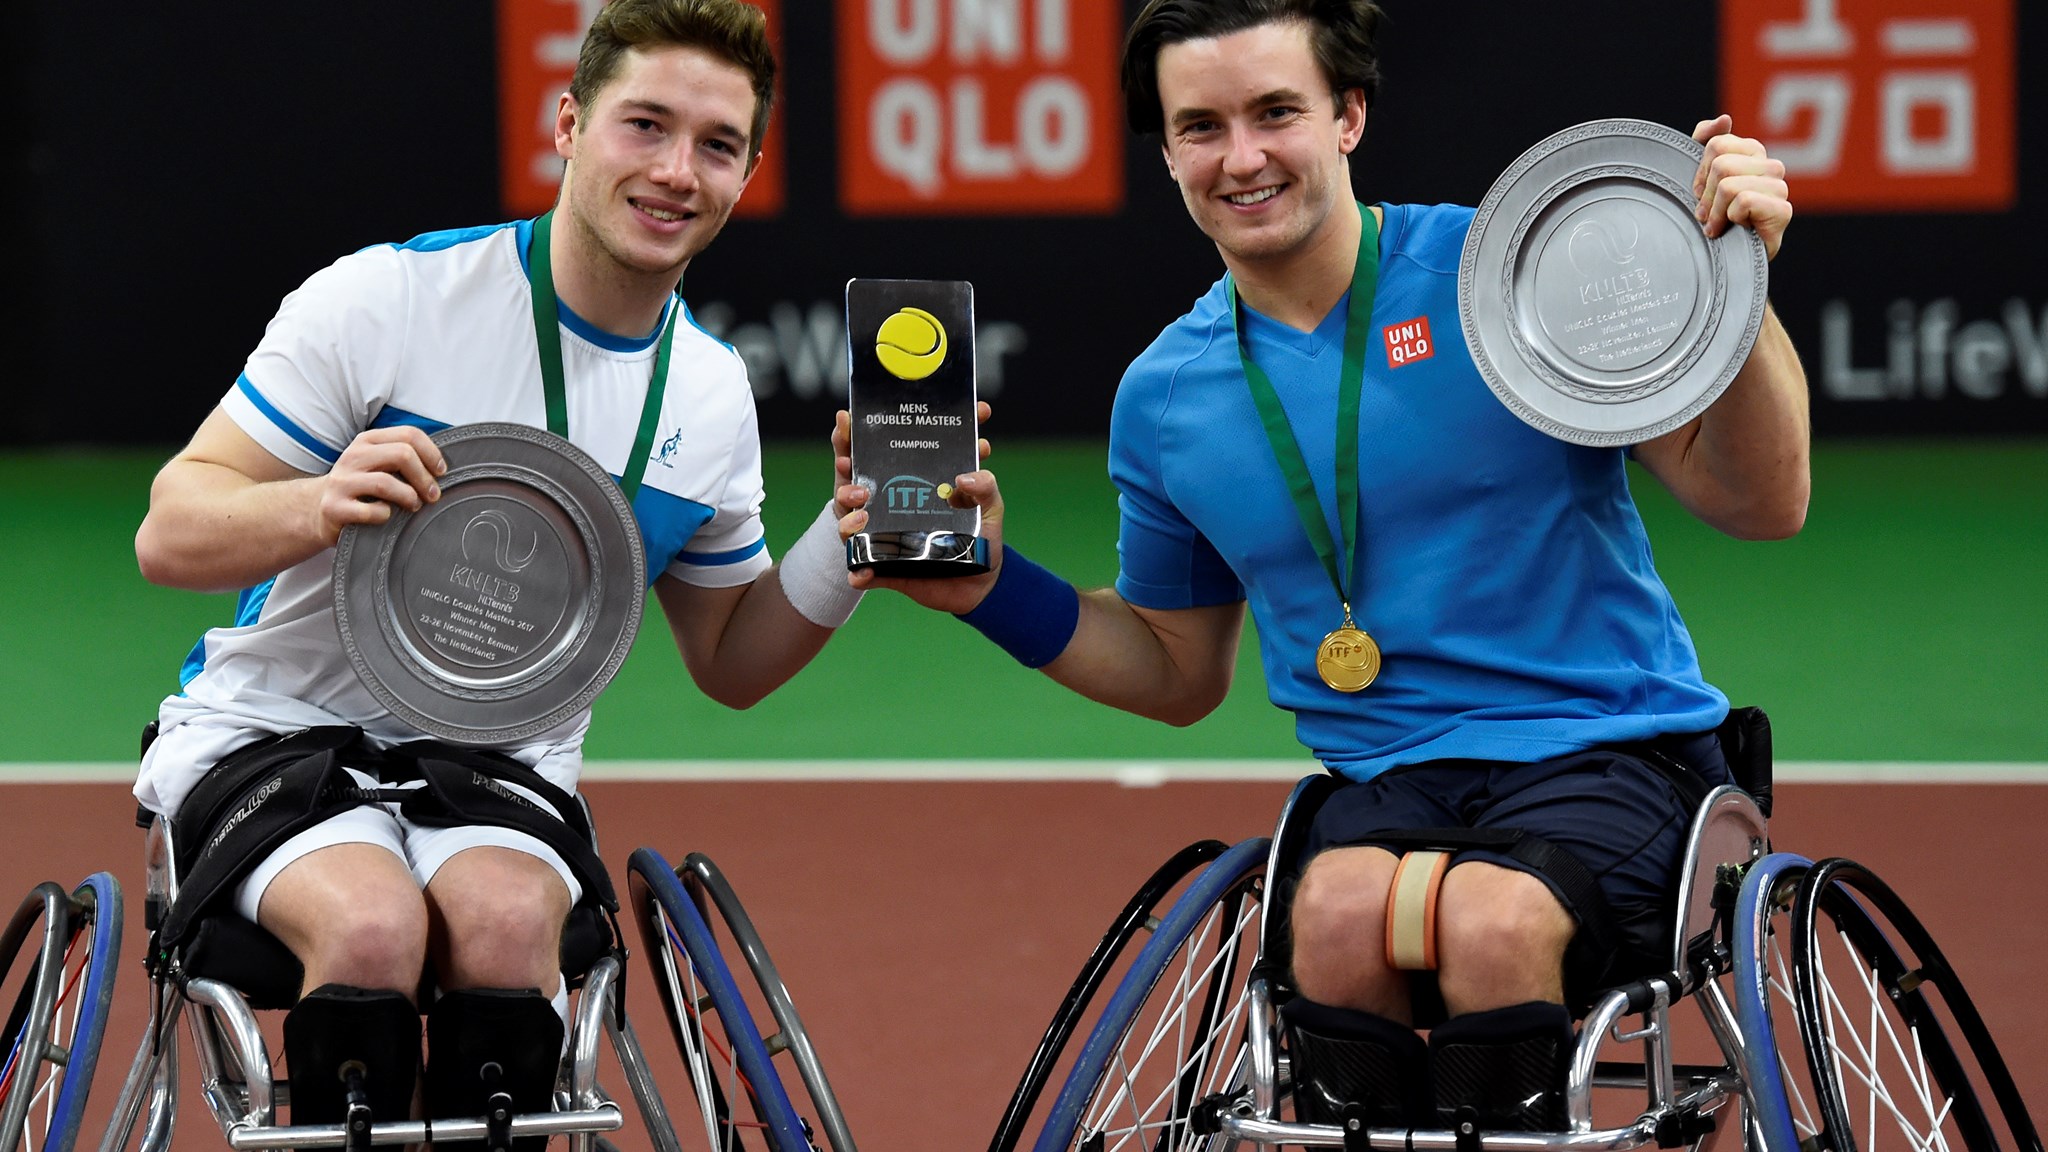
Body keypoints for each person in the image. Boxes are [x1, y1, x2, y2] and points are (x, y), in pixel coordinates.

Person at [834, 0, 1806, 1132]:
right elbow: (1172, 665)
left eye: (1274, 112)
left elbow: (1758, 502)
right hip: (1386, 783)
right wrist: (992, 589)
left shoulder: (1503, 273)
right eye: (1199, 127)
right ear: (1165, 153)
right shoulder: (1165, 396)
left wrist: (1738, 290)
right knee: (1335, 921)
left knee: (1492, 926)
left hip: (1612, 755)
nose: (1240, 157)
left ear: (1346, 115)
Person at [131, 0, 860, 1137]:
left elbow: (730, 658)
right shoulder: (390, 301)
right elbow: (171, 529)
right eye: (644, 126)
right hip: (275, 733)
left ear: (748, 169)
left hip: (497, 765)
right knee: (371, 929)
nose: (676, 171)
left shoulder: (709, 390)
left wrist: (852, 541)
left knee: (510, 930)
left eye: (716, 144)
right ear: (569, 124)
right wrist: (315, 503)